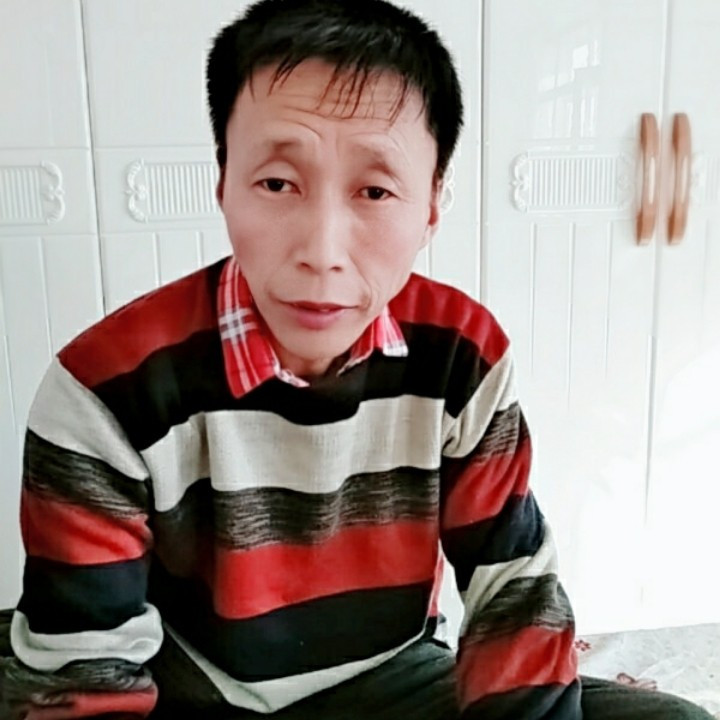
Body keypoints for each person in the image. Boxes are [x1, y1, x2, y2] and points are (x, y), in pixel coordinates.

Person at [0, 1, 715, 718]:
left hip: (391, 676)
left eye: (375, 191)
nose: (322, 252)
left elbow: (514, 591)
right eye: (277, 183)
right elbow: (87, 676)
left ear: (431, 206)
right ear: (223, 184)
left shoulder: (460, 355)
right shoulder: (103, 386)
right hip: (194, 688)